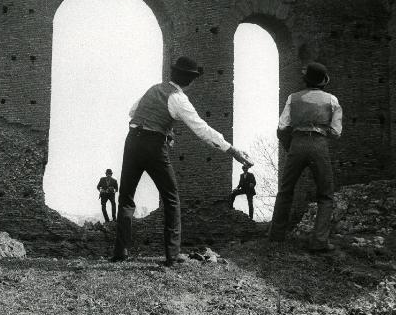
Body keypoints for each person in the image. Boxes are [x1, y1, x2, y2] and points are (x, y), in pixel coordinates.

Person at [111, 56, 253, 267]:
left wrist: (166, 128)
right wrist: (232, 150)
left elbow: (133, 112)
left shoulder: (153, 89)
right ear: (190, 80)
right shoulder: (178, 98)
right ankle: (172, 254)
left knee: (126, 197)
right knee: (171, 198)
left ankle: (120, 252)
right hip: (153, 146)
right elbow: (201, 130)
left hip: (132, 141)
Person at [269, 62, 342, 252]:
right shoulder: (332, 100)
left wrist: (290, 147)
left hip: (297, 144)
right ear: (323, 82)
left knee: (285, 191)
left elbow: (282, 128)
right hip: (319, 145)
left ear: (305, 80)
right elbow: (336, 132)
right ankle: (319, 242)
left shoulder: (293, 98)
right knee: (325, 195)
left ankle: (276, 237)